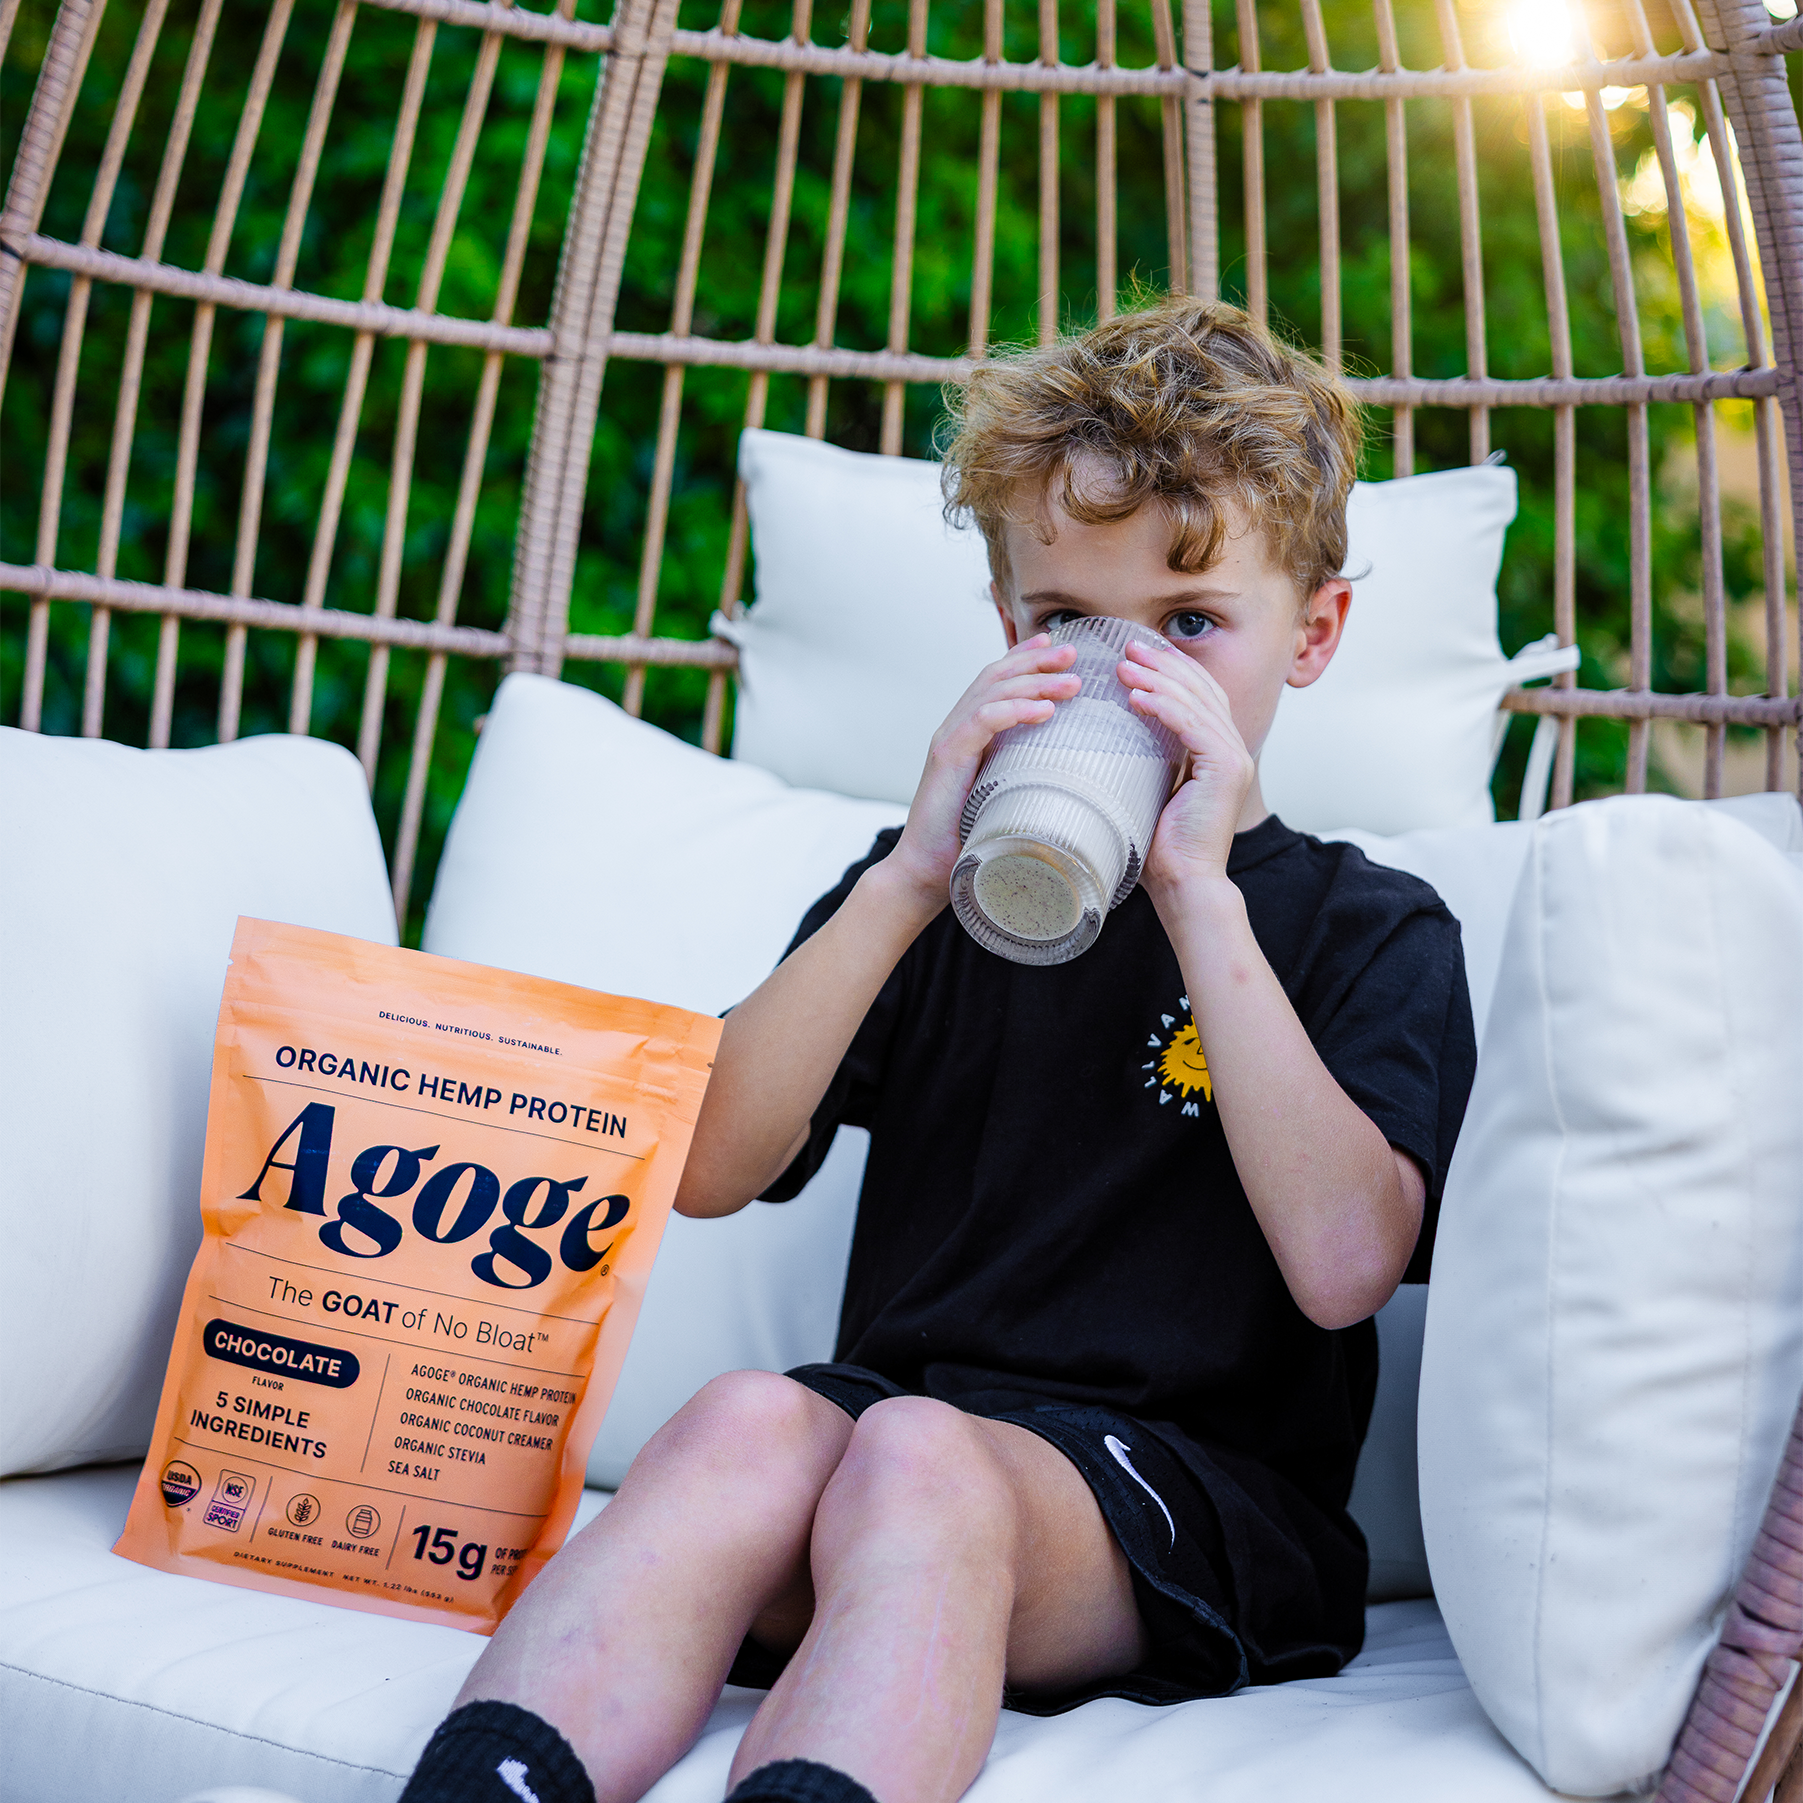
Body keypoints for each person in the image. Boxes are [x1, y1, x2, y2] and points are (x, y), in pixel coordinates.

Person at [399, 297, 1477, 1803]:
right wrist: (909, 876)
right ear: (1008, 629)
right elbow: (700, 1168)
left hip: (1187, 1504)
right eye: (1069, 627)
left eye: (1188, 626)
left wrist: (1197, 896)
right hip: (890, 1450)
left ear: (1313, 634)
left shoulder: (1365, 929)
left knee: (919, 1458)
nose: (1123, 680)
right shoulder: (923, 898)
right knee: (746, 1420)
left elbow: (1345, 1266)